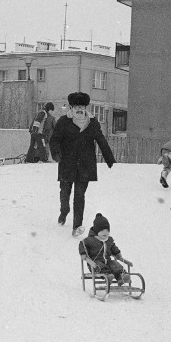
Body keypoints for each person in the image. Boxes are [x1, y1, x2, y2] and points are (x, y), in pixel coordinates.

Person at [49, 91, 116, 238]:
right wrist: (56, 153)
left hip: (85, 165)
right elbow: (54, 140)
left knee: (80, 196)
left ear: (85, 107)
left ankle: (77, 225)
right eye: (76, 106)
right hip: (67, 163)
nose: (79, 109)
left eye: (82, 106)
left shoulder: (92, 122)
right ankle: (64, 211)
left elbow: (101, 140)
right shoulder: (63, 121)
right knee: (65, 193)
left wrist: (109, 158)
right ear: (71, 107)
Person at [79, 212, 131, 286]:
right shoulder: (90, 240)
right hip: (94, 263)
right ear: (97, 231)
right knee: (100, 265)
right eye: (102, 230)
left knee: (115, 264)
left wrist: (117, 253)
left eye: (107, 230)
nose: (105, 233)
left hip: (108, 261)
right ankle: (107, 276)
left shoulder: (109, 240)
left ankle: (121, 277)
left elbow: (113, 247)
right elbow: (82, 244)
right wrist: (83, 254)